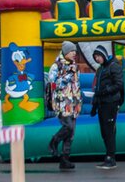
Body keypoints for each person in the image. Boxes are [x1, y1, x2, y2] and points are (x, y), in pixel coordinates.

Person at [48, 41, 82, 171]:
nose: (74, 54)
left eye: (75, 51)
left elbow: (76, 84)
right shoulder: (56, 66)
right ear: (65, 52)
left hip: (74, 103)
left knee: (71, 132)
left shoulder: (75, 66)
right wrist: (68, 75)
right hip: (62, 103)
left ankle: (65, 159)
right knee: (67, 127)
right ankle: (54, 141)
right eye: (71, 51)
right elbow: (54, 84)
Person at [91, 45, 124, 170]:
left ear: (104, 55)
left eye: (98, 56)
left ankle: (111, 158)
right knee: (104, 131)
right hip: (102, 103)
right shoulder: (101, 69)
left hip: (111, 102)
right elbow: (97, 89)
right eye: (95, 57)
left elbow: (119, 84)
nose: (97, 59)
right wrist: (94, 105)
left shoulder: (114, 66)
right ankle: (108, 156)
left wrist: (105, 91)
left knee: (109, 130)